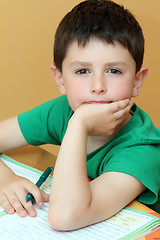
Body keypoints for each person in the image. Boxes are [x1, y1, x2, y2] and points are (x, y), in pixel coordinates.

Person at [0, 0, 160, 231]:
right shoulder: (62, 110)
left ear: (137, 80)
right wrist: (6, 179)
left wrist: (78, 124)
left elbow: (65, 217)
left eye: (114, 71)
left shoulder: (143, 150)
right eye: (82, 71)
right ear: (60, 78)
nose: (98, 86)